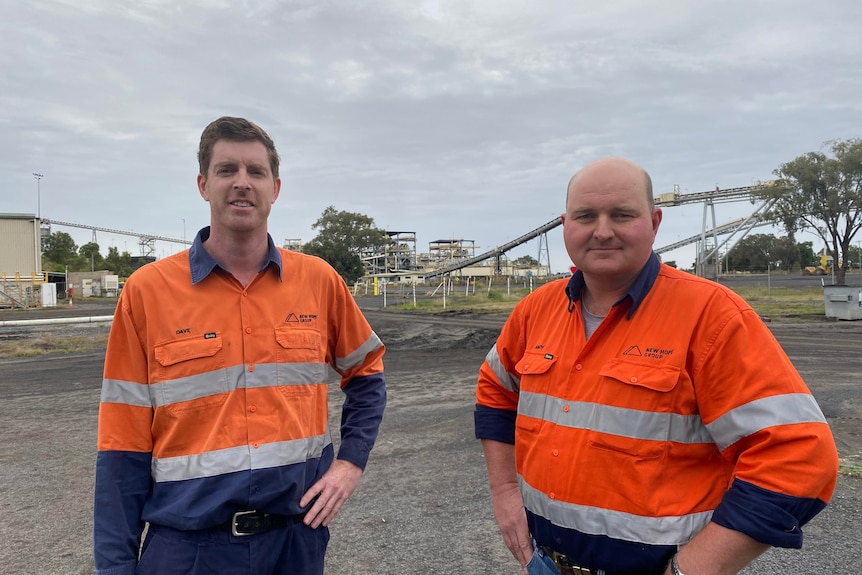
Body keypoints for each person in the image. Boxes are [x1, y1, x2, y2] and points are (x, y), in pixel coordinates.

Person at [474, 157, 838, 575]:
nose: (603, 230)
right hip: (544, 564)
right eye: (586, 216)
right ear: (565, 224)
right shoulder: (535, 311)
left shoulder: (712, 317)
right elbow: (495, 392)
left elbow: (800, 457)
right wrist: (504, 491)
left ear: (655, 221)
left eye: (622, 214)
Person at [94, 116, 387, 575]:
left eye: (256, 172)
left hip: (295, 544)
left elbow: (367, 373)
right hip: (187, 551)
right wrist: (114, 567)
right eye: (227, 169)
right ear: (203, 184)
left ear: (276, 187)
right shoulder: (146, 292)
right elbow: (121, 444)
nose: (242, 183)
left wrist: (350, 464)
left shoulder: (319, 281)